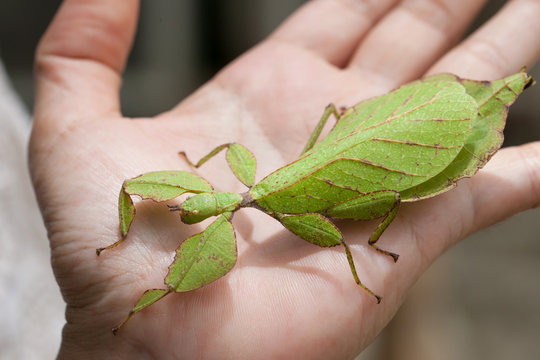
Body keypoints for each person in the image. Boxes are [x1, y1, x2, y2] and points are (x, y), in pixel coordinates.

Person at [31, 0, 540, 358]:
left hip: (382, 142)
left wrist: (366, 268)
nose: (189, 210)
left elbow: (344, 230)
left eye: (192, 205)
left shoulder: (253, 196)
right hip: (370, 142)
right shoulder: (248, 193)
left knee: (382, 197)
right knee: (370, 193)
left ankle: (500, 92)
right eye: (195, 209)